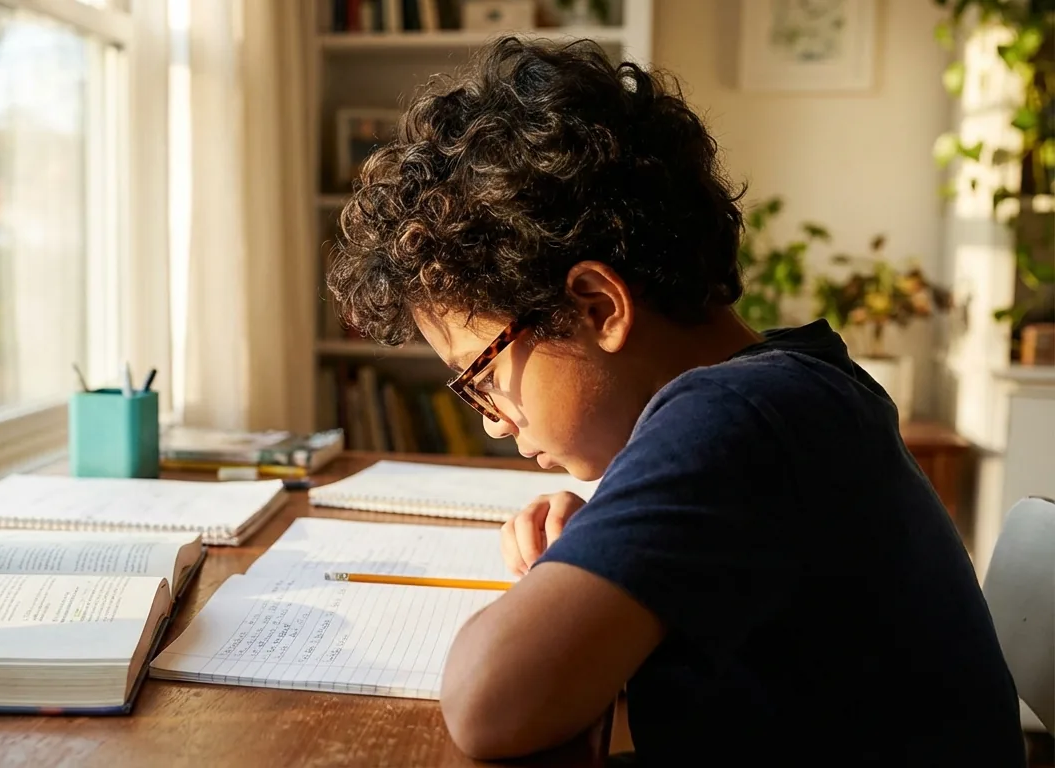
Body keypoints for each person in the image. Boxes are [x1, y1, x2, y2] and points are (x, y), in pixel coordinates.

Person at [325, 36, 1025, 767]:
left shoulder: (737, 418)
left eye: (482, 376)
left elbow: (489, 705)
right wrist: (600, 554)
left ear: (598, 306)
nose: (495, 422)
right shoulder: (795, 380)